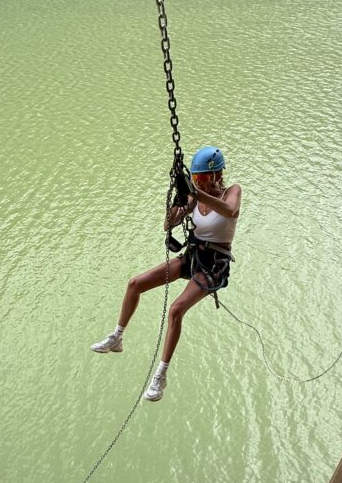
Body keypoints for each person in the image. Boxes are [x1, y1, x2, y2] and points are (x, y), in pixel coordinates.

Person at [90, 145, 241, 402]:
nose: (199, 183)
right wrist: (180, 200)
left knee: (176, 309)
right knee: (135, 283)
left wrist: (197, 195)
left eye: (203, 178)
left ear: (216, 175)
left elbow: (230, 211)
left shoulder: (231, 192)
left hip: (215, 263)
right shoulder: (195, 197)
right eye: (196, 178)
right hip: (192, 257)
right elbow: (167, 224)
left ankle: (161, 375)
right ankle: (117, 337)